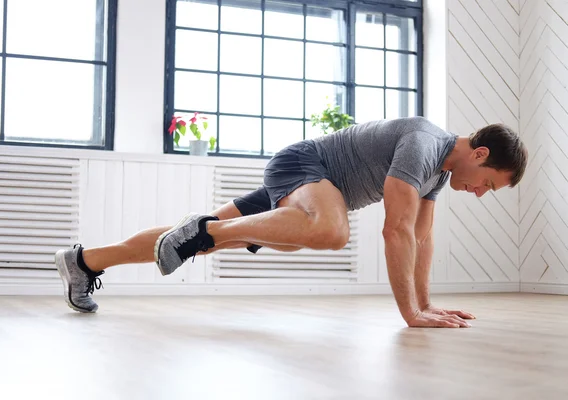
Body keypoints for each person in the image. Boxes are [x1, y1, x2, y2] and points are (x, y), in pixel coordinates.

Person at [55, 116, 528, 327]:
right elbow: (396, 230)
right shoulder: (424, 144)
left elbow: (421, 240)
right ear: (480, 154)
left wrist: (427, 306)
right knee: (329, 231)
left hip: (313, 187)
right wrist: (410, 314)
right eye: (488, 182)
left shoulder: (438, 175)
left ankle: (84, 262)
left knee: (188, 240)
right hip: (305, 167)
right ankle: (206, 230)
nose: (481, 193)